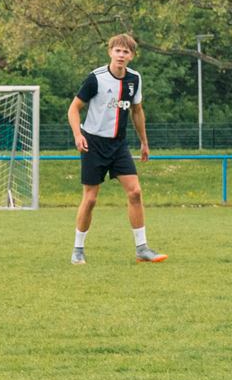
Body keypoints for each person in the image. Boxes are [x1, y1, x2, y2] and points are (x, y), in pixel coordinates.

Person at [68, 34, 166, 264]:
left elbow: (137, 111)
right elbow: (74, 109)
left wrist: (144, 142)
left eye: (126, 52)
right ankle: (78, 249)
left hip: (119, 145)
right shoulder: (96, 78)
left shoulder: (134, 79)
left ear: (132, 56)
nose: (121, 55)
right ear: (110, 52)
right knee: (90, 199)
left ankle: (142, 248)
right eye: (118, 51)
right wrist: (77, 135)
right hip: (93, 143)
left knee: (135, 192)